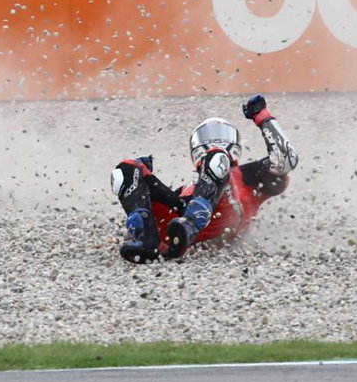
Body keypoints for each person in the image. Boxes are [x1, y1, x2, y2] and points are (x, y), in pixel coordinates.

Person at [111, 95, 299, 263]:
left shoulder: (247, 175)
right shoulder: (188, 187)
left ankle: (191, 224)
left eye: (222, 136)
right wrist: (142, 175)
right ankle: (146, 240)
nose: (214, 142)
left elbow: (286, 159)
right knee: (126, 169)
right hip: (180, 220)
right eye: (206, 138)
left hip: (218, 219)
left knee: (217, 158)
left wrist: (262, 116)